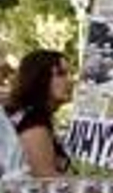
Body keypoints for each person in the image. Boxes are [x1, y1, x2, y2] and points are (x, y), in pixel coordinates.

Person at [3, 50, 73, 178]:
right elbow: (46, 178)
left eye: (69, 74)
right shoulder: (33, 120)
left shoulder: (28, 114)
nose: (70, 80)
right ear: (40, 78)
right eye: (61, 74)